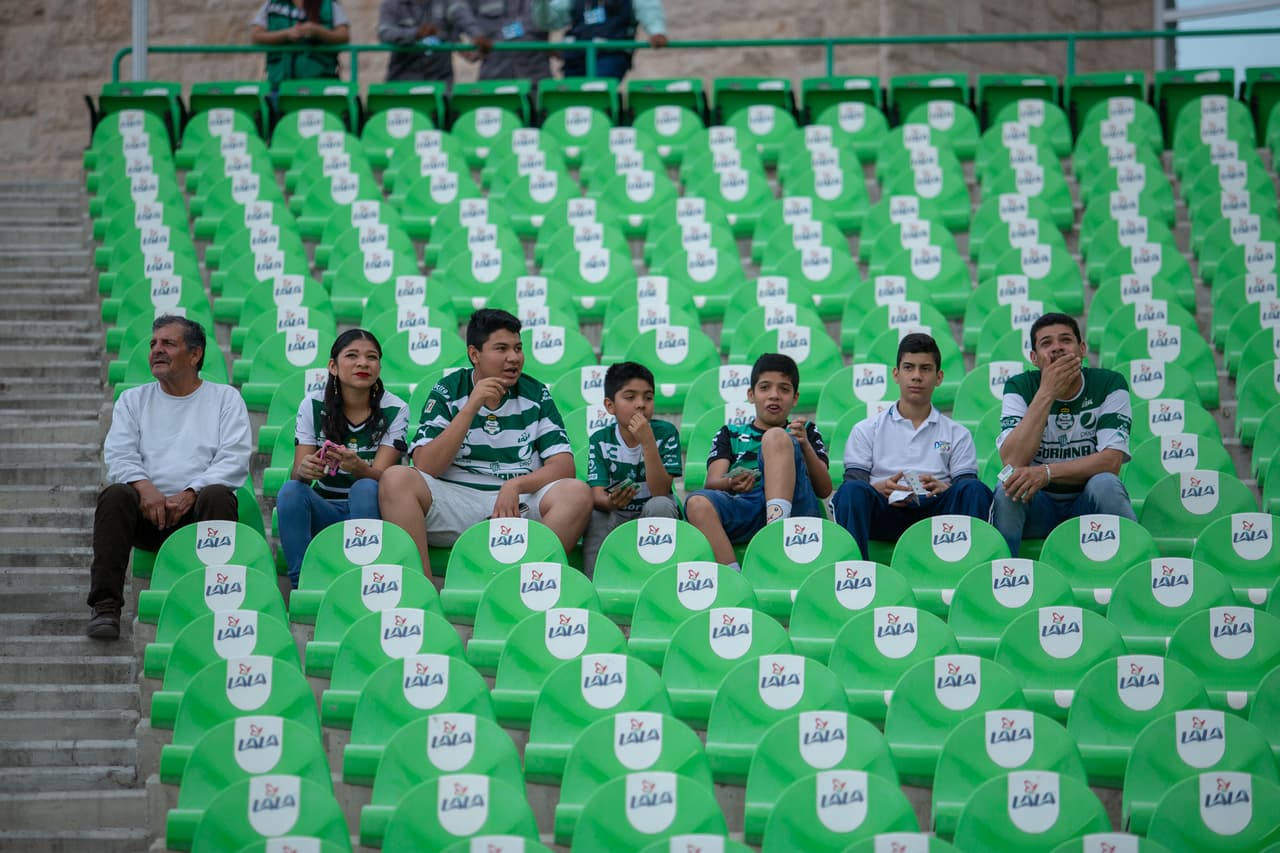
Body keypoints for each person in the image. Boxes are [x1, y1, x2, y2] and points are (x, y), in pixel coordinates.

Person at [378, 309, 592, 580]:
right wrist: (472, 405)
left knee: (577, 493)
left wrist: (515, 485)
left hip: (518, 502)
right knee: (396, 478)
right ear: (474, 354)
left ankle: (525, 583)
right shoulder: (448, 390)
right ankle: (422, 587)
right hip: (456, 500)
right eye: (501, 349)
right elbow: (426, 465)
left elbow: (564, 466)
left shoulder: (536, 393)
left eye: (517, 348)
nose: (513, 358)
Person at [87, 316, 251, 640]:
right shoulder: (133, 400)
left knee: (218, 494)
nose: (156, 350)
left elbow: (235, 458)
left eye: (168, 344)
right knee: (115, 495)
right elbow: (118, 454)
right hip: (146, 515)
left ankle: (216, 606)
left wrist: (191, 492)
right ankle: (105, 608)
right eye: (153, 344)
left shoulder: (224, 398)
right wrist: (146, 490)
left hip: (197, 514)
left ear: (194, 355)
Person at [831, 333, 993, 559]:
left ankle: (972, 566)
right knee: (851, 492)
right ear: (896, 374)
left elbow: (965, 485)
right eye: (909, 368)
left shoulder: (958, 434)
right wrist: (879, 487)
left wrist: (944, 488)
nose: (916, 376)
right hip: (885, 511)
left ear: (939, 377)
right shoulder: (866, 429)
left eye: (925, 369)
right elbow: (854, 482)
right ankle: (855, 571)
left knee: (975, 490)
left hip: (937, 515)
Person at [990, 312, 1137, 556]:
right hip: (1038, 504)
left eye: (1065, 340)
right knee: (1008, 485)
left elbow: (1111, 462)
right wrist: (1047, 392)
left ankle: (1134, 566)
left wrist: (1047, 473)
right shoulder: (1019, 386)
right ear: (1034, 358)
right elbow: (1013, 461)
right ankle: (1002, 573)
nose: (1057, 348)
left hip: (1087, 501)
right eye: (1046, 343)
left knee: (1106, 483)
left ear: (1082, 349)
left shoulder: (1110, 383)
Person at [276, 330, 410, 588]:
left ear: (379, 366)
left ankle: (366, 579)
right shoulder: (312, 405)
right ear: (333, 367)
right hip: (326, 509)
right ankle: (303, 585)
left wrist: (359, 467)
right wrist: (306, 470)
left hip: (375, 510)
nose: (363, 363)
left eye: (372, 357)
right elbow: (298, 476)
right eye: (352, 356)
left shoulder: (396, 409)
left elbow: (386, 477)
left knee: (365, 487)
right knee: (291, 490)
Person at [685, 353, 832, 569]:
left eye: (784, 389)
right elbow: (712, 482)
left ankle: (775, 534)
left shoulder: (805, 431)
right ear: (751, 394)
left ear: (795, 397)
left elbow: (824, 489)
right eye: (765, 388)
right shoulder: (730, 433)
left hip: (796, 505)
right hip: (748, 506)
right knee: (697, 503)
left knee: (775, 436)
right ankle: (734, 577)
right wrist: (731, 483)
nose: (774, 395)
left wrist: (804, 446)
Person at [582, 361, 681, 575]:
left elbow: (661, 491)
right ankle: (595, 581)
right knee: (596, 514)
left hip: (651, 513)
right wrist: (610, 501)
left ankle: (661, 576)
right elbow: (597, 495)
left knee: (661, 504)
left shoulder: (666, 433)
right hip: (616, 515)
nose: (641, 404)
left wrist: (648, 443)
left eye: (648, 397)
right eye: (630, 397)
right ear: (610, 406)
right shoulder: (601, 440)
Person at [532, 0, 668, 81]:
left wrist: (656, 31)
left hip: (612, 52)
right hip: (576, 55)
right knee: (571, 98)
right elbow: (551, 21)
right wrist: (541, 3)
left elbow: (648, 8)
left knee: (597, 93)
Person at [378, 0, 493, 83]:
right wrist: (415, 33)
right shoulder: (392, 4)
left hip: (439, 84)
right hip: (403, 81)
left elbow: (463, 19)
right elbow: (384, 33)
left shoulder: (447, 4)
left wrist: (478, 37)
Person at [250, 0, 351, 92]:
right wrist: (285, 34)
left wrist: (318, 31)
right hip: (279, 85)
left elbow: (343, 35)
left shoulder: (329, 3)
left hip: (319, 86)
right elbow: (255, 35)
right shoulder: (272, 3)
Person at [469, 0, 552, 84]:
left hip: (534, 74)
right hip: (494, 75)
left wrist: (498, 37)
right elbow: (464, 16)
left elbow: (537, 24)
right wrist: (475, 34)